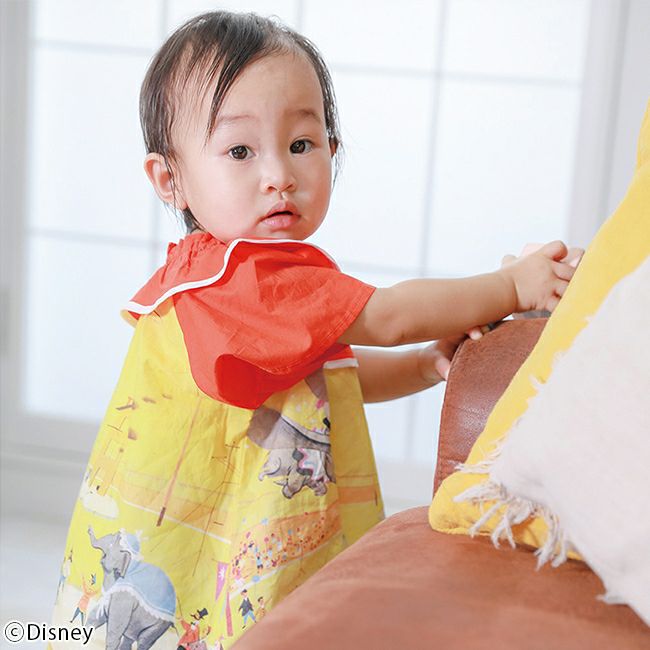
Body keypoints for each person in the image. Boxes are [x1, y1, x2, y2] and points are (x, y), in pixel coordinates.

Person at [50, 10, 579, 648]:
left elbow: (315, 378)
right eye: (240, 151)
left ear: (333, 149)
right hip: (224, 532)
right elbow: (389, 315)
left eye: (302, 144)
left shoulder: (218, 271)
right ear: (172, 179)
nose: (280, 173)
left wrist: (420, 367)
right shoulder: (251, 280)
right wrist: (511, 286)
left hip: (213, 523)